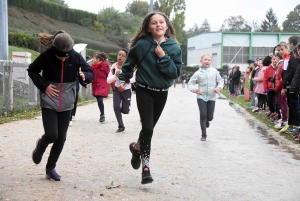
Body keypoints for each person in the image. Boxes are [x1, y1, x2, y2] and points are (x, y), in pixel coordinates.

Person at [117, 12, 182, 184]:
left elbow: (175, 73)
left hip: (161, 93)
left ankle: (136, 148)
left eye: (161, 22)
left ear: (166, 26)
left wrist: (163, 57)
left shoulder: (174, 48)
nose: (158, 25)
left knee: (148, 129)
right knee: (148, 128)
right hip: (144, 91)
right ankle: (146, 168)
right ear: (148, 27)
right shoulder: (141, 45)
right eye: (154, 23)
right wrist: (121, 81)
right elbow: (128, 66)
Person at [27, 30, 94, 181]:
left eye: (66, 56)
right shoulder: (46, 55)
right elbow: (32, 70)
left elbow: (89, 72)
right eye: (60, 56)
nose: (64, 59)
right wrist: (44, 85)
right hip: (50, 99)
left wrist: (85, 77)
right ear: (53, 49)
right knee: (52, 134)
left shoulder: (75, 56)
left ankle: (50, 168)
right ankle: (41, 145)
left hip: (68, 101)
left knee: (61, 138)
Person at [188, 54, 224, 141]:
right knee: (203, 115)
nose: (207, 61)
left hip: (212, 96)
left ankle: (207, 120)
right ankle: (203, 134)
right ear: (201, 61)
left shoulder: (214, 71)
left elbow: (221, 81)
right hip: (201, 96)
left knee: (210, 117)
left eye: (209, 60)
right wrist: (194, 89)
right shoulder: (197, 73)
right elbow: (190, 83)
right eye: (205, 59)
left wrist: (218, 88)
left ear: (211, 62)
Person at [107, 49, 132, 133]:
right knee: (116, 107)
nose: (120, 56)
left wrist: (124, 83)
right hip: (117, 89)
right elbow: (108, 80)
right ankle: (121, 125)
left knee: (125, 110)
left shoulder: (128, 66)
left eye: (123, 55)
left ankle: (126, 106)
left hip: (126, 89)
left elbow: (133, 78)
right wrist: (115, 76)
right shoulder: (113, 67)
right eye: (119, 54)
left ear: (126, 58)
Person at [91, 52, 110, 122]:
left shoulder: (104, 66)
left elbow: (109, 75)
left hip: (103, 85)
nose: (92, 59)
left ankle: (102, 115)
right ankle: (102, 114)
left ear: (98, 59)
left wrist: (113, 85)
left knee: (100, 100)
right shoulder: (92, 67)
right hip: (95, 85)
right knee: (98, 100)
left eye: (93, 58)